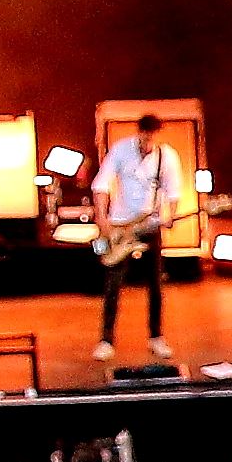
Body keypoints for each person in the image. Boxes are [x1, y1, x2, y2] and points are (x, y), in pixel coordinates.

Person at [91, 117, 185, 359]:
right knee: (113, 284)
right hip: (121, 225)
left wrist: (170, 215)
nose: (148, 140)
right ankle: (106, 340)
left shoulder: (167, 157)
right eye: (145, 134)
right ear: (139, 132)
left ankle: (156, 337)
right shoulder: (121, 150)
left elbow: (173, 191)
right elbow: (101, 184)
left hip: (150, 226)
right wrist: (102, 218)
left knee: (155, 284)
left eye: (152, 135)